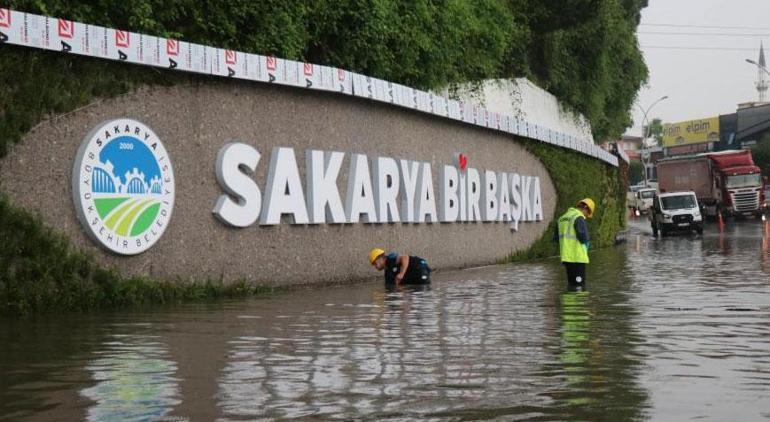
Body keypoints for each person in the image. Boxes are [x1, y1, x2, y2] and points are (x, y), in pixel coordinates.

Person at [554, 198, 595, 285]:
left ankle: (569, 299)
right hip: (577, 257)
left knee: (572, 284)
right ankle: (578, 299)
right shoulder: (578, 218)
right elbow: (584, 238)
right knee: (579, 286)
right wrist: (587, 245)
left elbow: (556, 238)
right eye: (588, 213)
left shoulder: (562, 218)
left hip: (566, 258)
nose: (587, 216)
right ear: (585, 208)